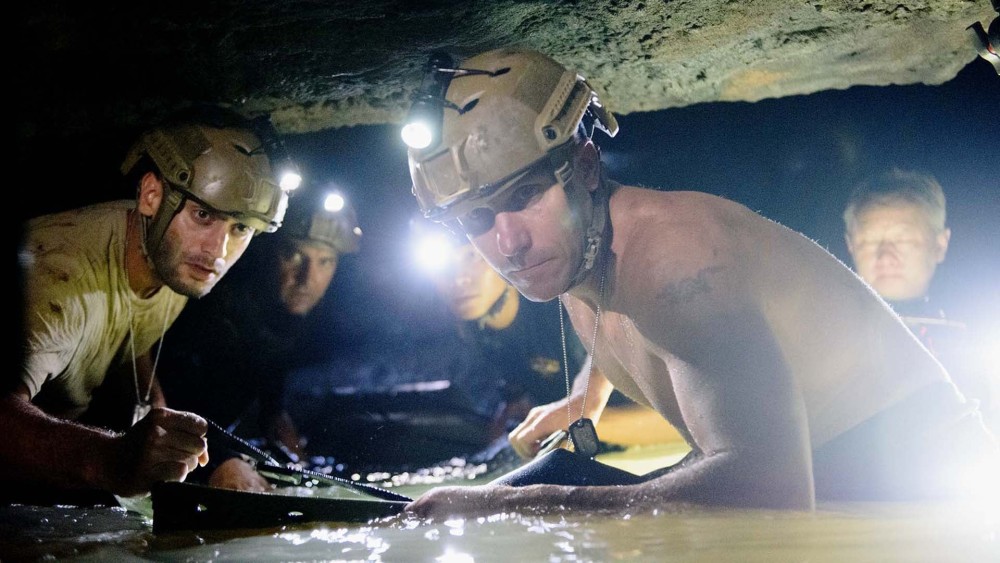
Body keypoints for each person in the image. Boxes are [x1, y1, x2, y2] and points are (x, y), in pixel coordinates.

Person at [401, 47, 999, 518]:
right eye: (476, 219)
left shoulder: (678, 261)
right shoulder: (577, 250)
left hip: (911, 483)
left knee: (522, 508)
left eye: (525, 196)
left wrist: (509, 504)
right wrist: (587, 396)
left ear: (584, 167)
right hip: (823, 473)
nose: (508, 243)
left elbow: (770, 488)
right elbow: (625, 314)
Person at [2, 106, 293, 504]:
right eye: (203, 214)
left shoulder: (172, 258)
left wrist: (164, 419)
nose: (218, 251)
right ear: (152, 195)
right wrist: (108, 459)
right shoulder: (59, 280)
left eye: (240, 228)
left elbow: (129, 330)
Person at [158, 188, 361, 492]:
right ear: (268, 252)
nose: (307, 277)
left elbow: (271, 400)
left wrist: (282, 431)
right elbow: (165, 404)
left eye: (325, 262)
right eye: (294, 255)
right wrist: (222, 462)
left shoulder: (294, 319)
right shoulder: (218, 309)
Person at [410, 215, 590, 446]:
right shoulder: (475, 327)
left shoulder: (564, 310)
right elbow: (525, 396)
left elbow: (647, 415)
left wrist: (563, 426)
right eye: (441, 265)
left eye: (472, 256)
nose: (459, 279)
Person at [843, 168, 997, 431]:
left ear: (939, 245)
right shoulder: (825, 335)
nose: (885, 257)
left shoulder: (978, 339)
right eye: (869, 241)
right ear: (850, 244)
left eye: (903, 240)